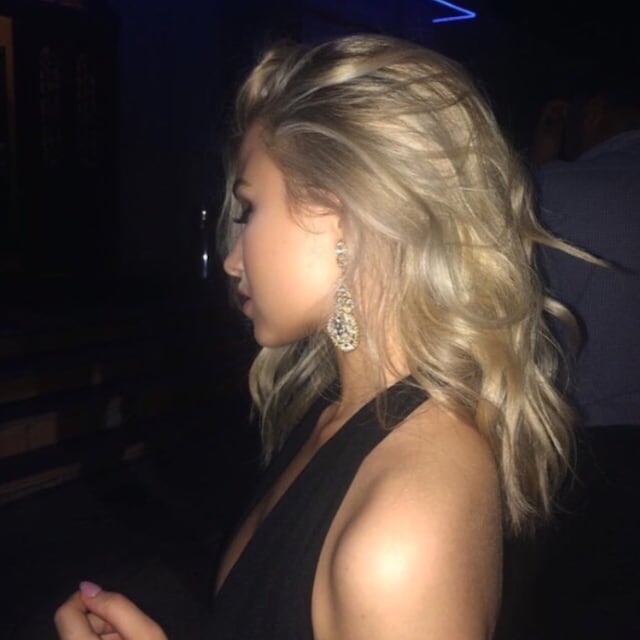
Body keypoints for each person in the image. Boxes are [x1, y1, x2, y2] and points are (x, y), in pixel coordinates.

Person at [55, 34, 580, 640]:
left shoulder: (404, 525)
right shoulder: (341, 413)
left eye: (249, 209)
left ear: (341, 217)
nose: (231, 258)